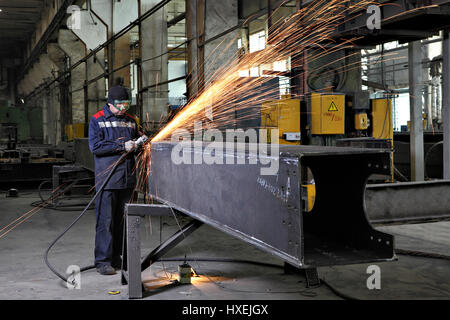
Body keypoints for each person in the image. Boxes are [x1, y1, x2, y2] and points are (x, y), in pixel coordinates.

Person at [88, 85, 140, 275]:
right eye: (119, 105)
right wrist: (122, 145)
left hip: (127, 179)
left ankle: (119, 258)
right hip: (107, 180)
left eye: (126, 104)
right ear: (109, 104)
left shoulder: (131, 121)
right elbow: (96, 147)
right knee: (106, 222)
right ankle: (103, 261)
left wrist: (141, 143)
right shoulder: (97, 120)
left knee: (123, 222)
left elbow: (136, 142)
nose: (123, 109)